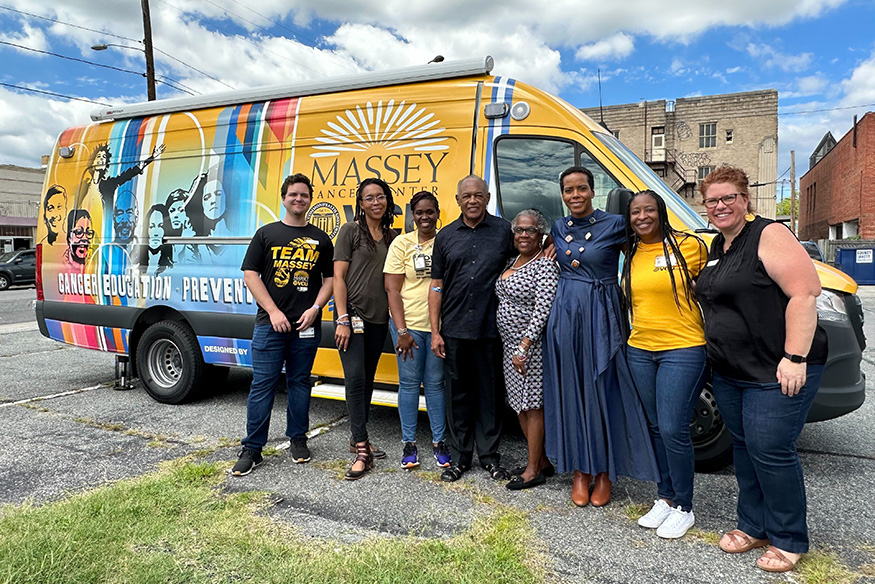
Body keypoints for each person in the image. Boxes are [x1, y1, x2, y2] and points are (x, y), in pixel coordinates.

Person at [696, 166, 828, 573]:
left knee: (771, 450)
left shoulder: (769, 234)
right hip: (733, 372)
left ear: (745, 198)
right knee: (744, 448)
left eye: (728, 198)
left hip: (776, 369)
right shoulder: (719, 245)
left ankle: (788, 537)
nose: (720, 206)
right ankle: (753, 524)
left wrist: (794, 357)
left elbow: (805, 292)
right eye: (712, 200)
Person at [543, 166, 658, 507]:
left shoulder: (615, 224)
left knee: (603, 390)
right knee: (572, 391)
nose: (575, 195)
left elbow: (642, 260)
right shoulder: (558, 227)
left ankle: (605, 471)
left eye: (581, 189)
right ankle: (580, 471)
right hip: (565, 316)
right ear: (562, 195)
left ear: (593, 191)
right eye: (568, 190)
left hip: (602, 314)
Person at [232, 173, 334, 476]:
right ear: (284, 197)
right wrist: (274, 312)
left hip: (306, 324)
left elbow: (329, 280)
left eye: (304, 195)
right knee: (262, 385)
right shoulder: (266, 234)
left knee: (300, 382)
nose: (299, 199)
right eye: (293, 195)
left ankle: (298, 440)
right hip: (269, 324)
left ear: (310, 199)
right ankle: (252, 448)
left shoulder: (321, 238)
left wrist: (316, 308)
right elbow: (251, 275)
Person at [621, 190, 709, 538]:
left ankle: (685, 506)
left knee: (673, 427)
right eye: (634, 212)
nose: (642, 217)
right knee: (656, 426)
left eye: (649, 210)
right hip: (640, 348)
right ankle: (666, 497)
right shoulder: (629, 252)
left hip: (684, 347)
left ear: (661, 212)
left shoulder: (690, 246)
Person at [429, 174, 515, 483]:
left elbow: (527, 258)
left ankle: (491, 458)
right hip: (453, 329)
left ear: (488, 198)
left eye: (478, 195)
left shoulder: (505, 232)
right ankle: (461, 458)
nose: (473, 200)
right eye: (466, 196)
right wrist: (435, 331)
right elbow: (436, 285)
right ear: (457, 201)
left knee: (491, 396)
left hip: (493, 329)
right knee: (459, 396)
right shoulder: (445, 236)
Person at [334, 178, 397, 480]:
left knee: (368, 380)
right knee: (355, 378)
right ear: (360, 203)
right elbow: (338, 278)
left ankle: (357, 436)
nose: (375, 202)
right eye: (369, 198)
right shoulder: (350, 231)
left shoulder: (391, 235)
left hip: (378, 319)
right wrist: (342, 318)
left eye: (380, 197)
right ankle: (362, 451)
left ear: (387, 200)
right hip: (353, 317)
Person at [384, 191, 452, 470]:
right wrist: (401, 330)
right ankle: (409, 443)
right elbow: (392, 289)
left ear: (438, 212)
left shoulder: (446, 240)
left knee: (436, 385)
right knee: (410, 384)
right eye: (419, 212)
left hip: (438, 327)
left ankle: (439, 442)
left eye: (430, 212)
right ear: (413, 214)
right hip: (408, 326)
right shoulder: (402, 243)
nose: (425, 217)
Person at [495, 209, 559, 491]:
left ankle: (533, 470)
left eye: (530, 230)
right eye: (519, 229)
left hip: (529, 348)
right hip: (510, 346)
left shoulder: (544, 265)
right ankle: (541, 460)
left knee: (532, 407)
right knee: (518, 404)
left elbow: (542, 310)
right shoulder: (513, 261)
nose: (523, 234)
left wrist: (525, 345)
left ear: (540, 234)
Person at [139, 204, 173, 275]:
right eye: (151, 227)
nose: (155, 233)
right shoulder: (136, 260)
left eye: (160, 226)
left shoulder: (171, 267)